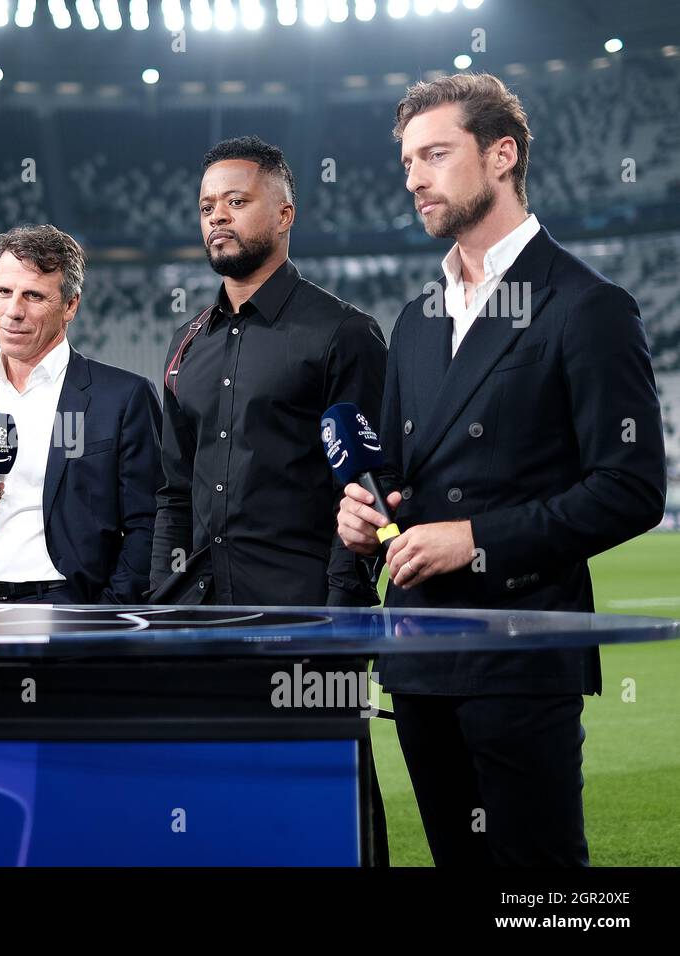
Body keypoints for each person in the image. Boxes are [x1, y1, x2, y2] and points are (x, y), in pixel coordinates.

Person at [337, 74, 667, 866]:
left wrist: (476, 539)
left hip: (521, 650)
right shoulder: (416, 318)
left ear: (502, 155)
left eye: (436, 154)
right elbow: (397, 482)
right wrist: (366, 517)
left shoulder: (588, 306)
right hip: (417, 653)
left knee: (540, 888)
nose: (414, 176)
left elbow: (630, 489)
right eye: (408, 159)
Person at [149, 136, 388, 607]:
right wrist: (161, 597)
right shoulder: (187, 343)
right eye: (206, 206)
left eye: (236, 201)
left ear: (284, 215)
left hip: (303, 615)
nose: (217, 216)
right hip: (198, 618)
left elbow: (368, 488)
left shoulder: (344, 333)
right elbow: (174, 494)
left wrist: (339, 608)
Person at [0, 224, 163, 604]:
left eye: (33, 295)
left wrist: (106, 614)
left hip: (68, 609)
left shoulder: (123, 397)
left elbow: (149, 524)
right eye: (3, 292)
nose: (13, 311)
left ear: (70, 305)